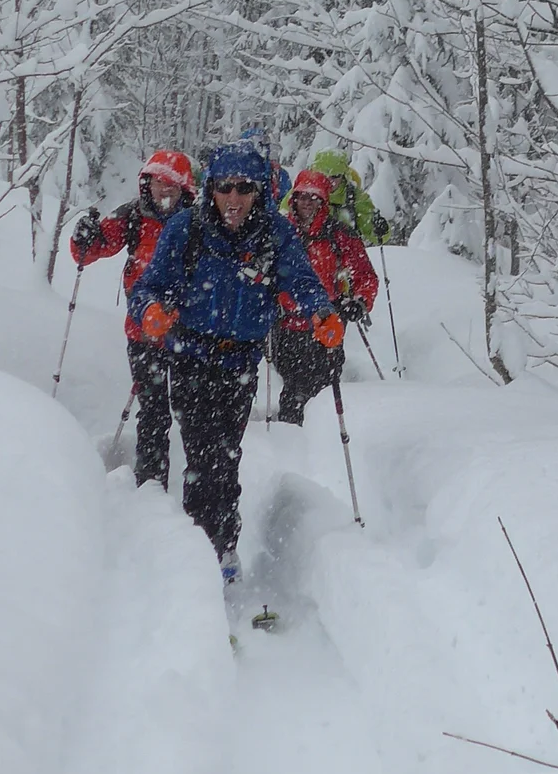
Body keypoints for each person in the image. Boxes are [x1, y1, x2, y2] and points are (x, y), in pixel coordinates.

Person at [130, 137, 339, 583]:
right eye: (225, 187)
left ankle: (220, 546)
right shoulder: (187, 229)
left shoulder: (273, 234)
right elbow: (147, 287)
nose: (234, 198)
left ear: (259, 191)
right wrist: (150, 311)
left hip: (241, 363)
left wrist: (321, 313)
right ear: (211, 189)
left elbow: (301, 281)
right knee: (204, 457)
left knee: (226, 458)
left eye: (244, 188)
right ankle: (204, 550)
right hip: (190, 356)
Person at [69, 147, 196, 488]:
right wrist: (84, 239)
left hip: (189, 334)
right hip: (143, 332)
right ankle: (151, 483)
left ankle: (195, 482)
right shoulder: (134, 216)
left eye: (171, 184)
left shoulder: (197, 223)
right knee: (153, 411)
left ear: (184, 188)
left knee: (191, 410)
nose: (164, 190)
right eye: (158, 183)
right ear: (147, 184)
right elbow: (93, 250)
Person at [270, 168, 379, 425]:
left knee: (324, 389)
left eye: (313, 197)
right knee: (292, 386)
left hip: (327, 325)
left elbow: (365, 276)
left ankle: (320, 443)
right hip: (287, 326)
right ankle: (291, 439)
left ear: (324, 201)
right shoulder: (281, 232)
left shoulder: (339, 235)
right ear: (293, 198)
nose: (307, 203)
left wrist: (360, 302)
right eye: (302, 197)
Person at [310, 149, 389, 244]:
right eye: (323, 175)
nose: (329, 180)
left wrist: (380, 228)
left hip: (345, 253)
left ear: (343, 175)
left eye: (335, 176)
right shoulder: (303, 193)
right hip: (310, 253)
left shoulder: (354, 197)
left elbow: (376, 235)